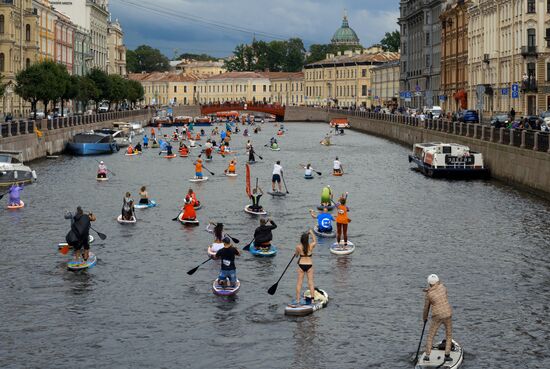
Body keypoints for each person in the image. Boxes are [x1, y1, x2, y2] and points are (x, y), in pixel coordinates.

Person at [422, 274, 453, 364]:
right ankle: (447, 355)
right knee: (449, 334)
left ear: (429, 283)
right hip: (448, 313)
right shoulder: (443, 287)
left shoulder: (429, 294)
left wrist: (425, 318)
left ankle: (427, 356)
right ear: (438, 281)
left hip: (437, 316)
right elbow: (444, 298)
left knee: (431, 335)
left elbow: (426, 308)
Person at [293, 230, 317, 306]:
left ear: (301, 239)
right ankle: (312, 301)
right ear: (307, 239)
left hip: (301, 265)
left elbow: (296, 255)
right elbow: (314, 241)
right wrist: (312, 233)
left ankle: (297, 300)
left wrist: (296, 253)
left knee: (299, 283)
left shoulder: (298, 247)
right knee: (311, 282)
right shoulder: (311, 246)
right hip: (309, 265)